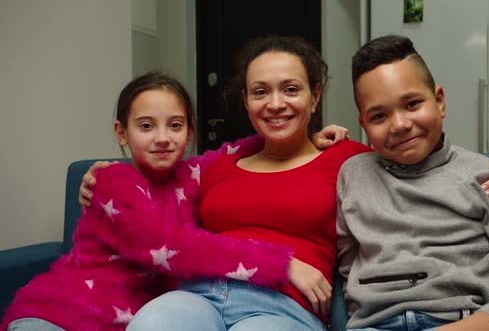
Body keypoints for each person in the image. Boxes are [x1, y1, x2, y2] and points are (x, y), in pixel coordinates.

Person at [123, 36, 489, 331]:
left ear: (315, 97)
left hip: (281, 307)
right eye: (259, 92)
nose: (274, 104)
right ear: (245, 101)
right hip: (199, 293)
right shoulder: (216, 166)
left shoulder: (349, 161)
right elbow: (155, 190)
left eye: (290, 89)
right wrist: (104, 177)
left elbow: (425, 165)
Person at [1, 71, 345, 331]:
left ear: (190, 130)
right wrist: (280, 263)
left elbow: (245, 147)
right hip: (60, 314)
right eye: (146, 126)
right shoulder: (111, 182)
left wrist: (307, 137)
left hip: (131, 319)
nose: (163, 138)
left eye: (175, 125)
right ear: (122, 132)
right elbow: (174, 246)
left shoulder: (193, 174)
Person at [336, 34, 489, 331]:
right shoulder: (352, 174)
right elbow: (347, 267)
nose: (400, 124)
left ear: (439, 101)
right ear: (363, 125)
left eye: (412, 104)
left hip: (465, 321)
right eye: (379, 116)